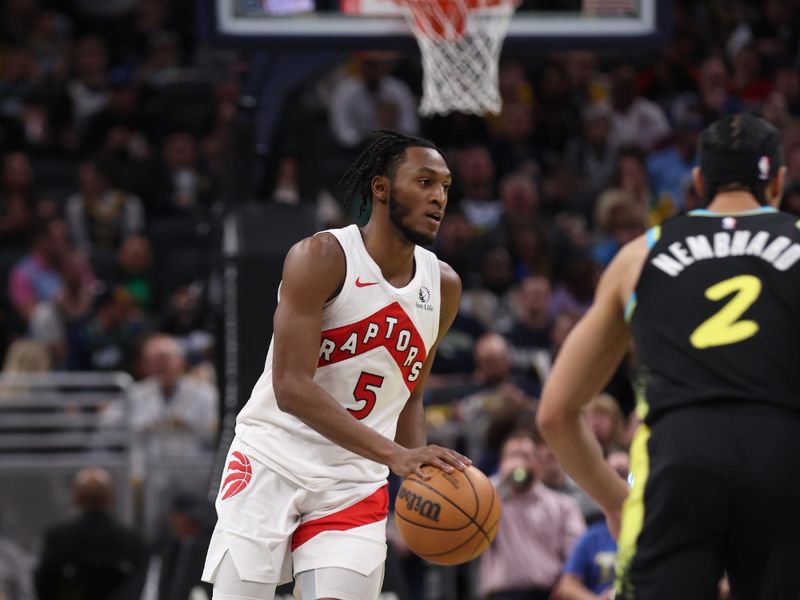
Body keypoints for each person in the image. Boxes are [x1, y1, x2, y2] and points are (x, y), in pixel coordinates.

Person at [537, 113, 800, 600]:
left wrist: (617, 501)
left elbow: (554, 412)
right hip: (783, 456)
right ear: (779, 183)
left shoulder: (641, 253)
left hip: (679, 459)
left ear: (698, 183)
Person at [202, 131, 469, 599]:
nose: (438, 197)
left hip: (354, 482)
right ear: (381, 188)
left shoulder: (443, 285)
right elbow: (290, 387)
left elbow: (411, 395)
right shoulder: (322, 256)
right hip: (271, 458)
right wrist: (397, 457)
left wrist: (417, 477)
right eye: (424, 182)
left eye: (445, 186)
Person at [479, 429, 585, 600]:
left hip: (550, 592)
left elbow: (577, 553)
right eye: (513, 456)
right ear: (502, 462)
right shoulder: (490, 499)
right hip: (504, 594)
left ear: (538, 462)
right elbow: (471, 512)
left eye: (525, 457)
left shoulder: (562, 505)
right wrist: (502, 480)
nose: (519, 463)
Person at [34, 467, 147, 599]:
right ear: (110, 497)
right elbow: (141, 583)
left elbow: (43, 585)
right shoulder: (132, 540)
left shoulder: (57, 539)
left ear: (76, 498)